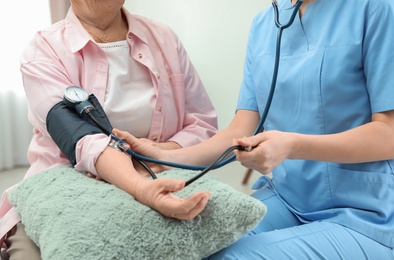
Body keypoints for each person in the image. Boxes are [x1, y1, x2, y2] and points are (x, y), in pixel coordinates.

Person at [117, 0, 394, 258]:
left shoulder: (377, 9)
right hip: (287, 198)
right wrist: (164, 157)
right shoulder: (265, 25)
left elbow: (389, 133)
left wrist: (292, 146)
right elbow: (239, 130)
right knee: (195, 244)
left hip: (366, 212)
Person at [0, 0, 218, 259]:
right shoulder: (43, 50)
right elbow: (80, 138)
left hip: (159, 171)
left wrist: (159, 156)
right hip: (64, 186)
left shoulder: (164, 38)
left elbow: (202, 123)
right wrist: (138, 183)